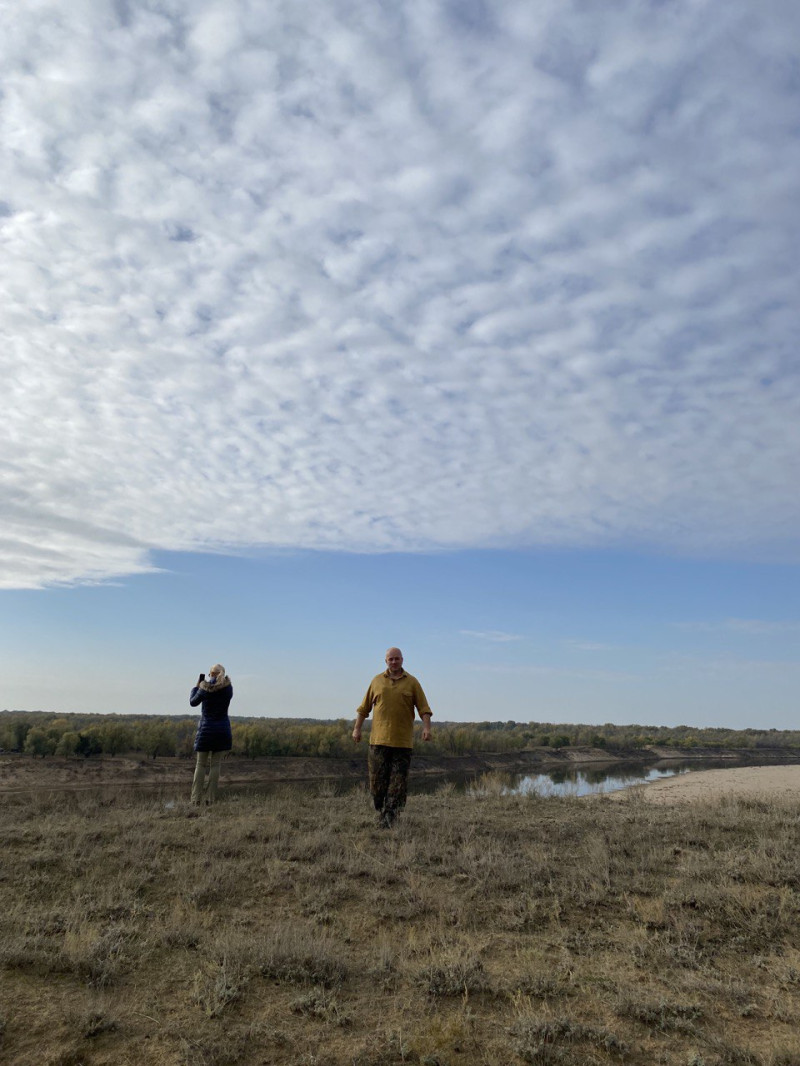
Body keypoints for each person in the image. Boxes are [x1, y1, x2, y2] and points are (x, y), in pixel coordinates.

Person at [352, 647, 432, 827]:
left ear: (402, 660)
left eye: (397, 659)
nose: (394, 662)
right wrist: (357, 729)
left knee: (398, 783)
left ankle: (390, 818)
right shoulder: (376, 681)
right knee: (377, 784)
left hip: (402, 743)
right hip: (378, 742)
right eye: (391, 659)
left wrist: (426, 728)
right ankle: (381, 810)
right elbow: (363, 708)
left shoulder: (412, 683)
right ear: (385, 661)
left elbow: (424, 709)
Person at [189, 664, 233, 806]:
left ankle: (195, 799)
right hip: (222, 731)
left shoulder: (204, 688)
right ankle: (210, 799)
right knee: (215, 765)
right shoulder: (228, 689)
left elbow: (192, 702)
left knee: (200, 764)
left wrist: (196, 686)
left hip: (206, 731)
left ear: (211, 674)